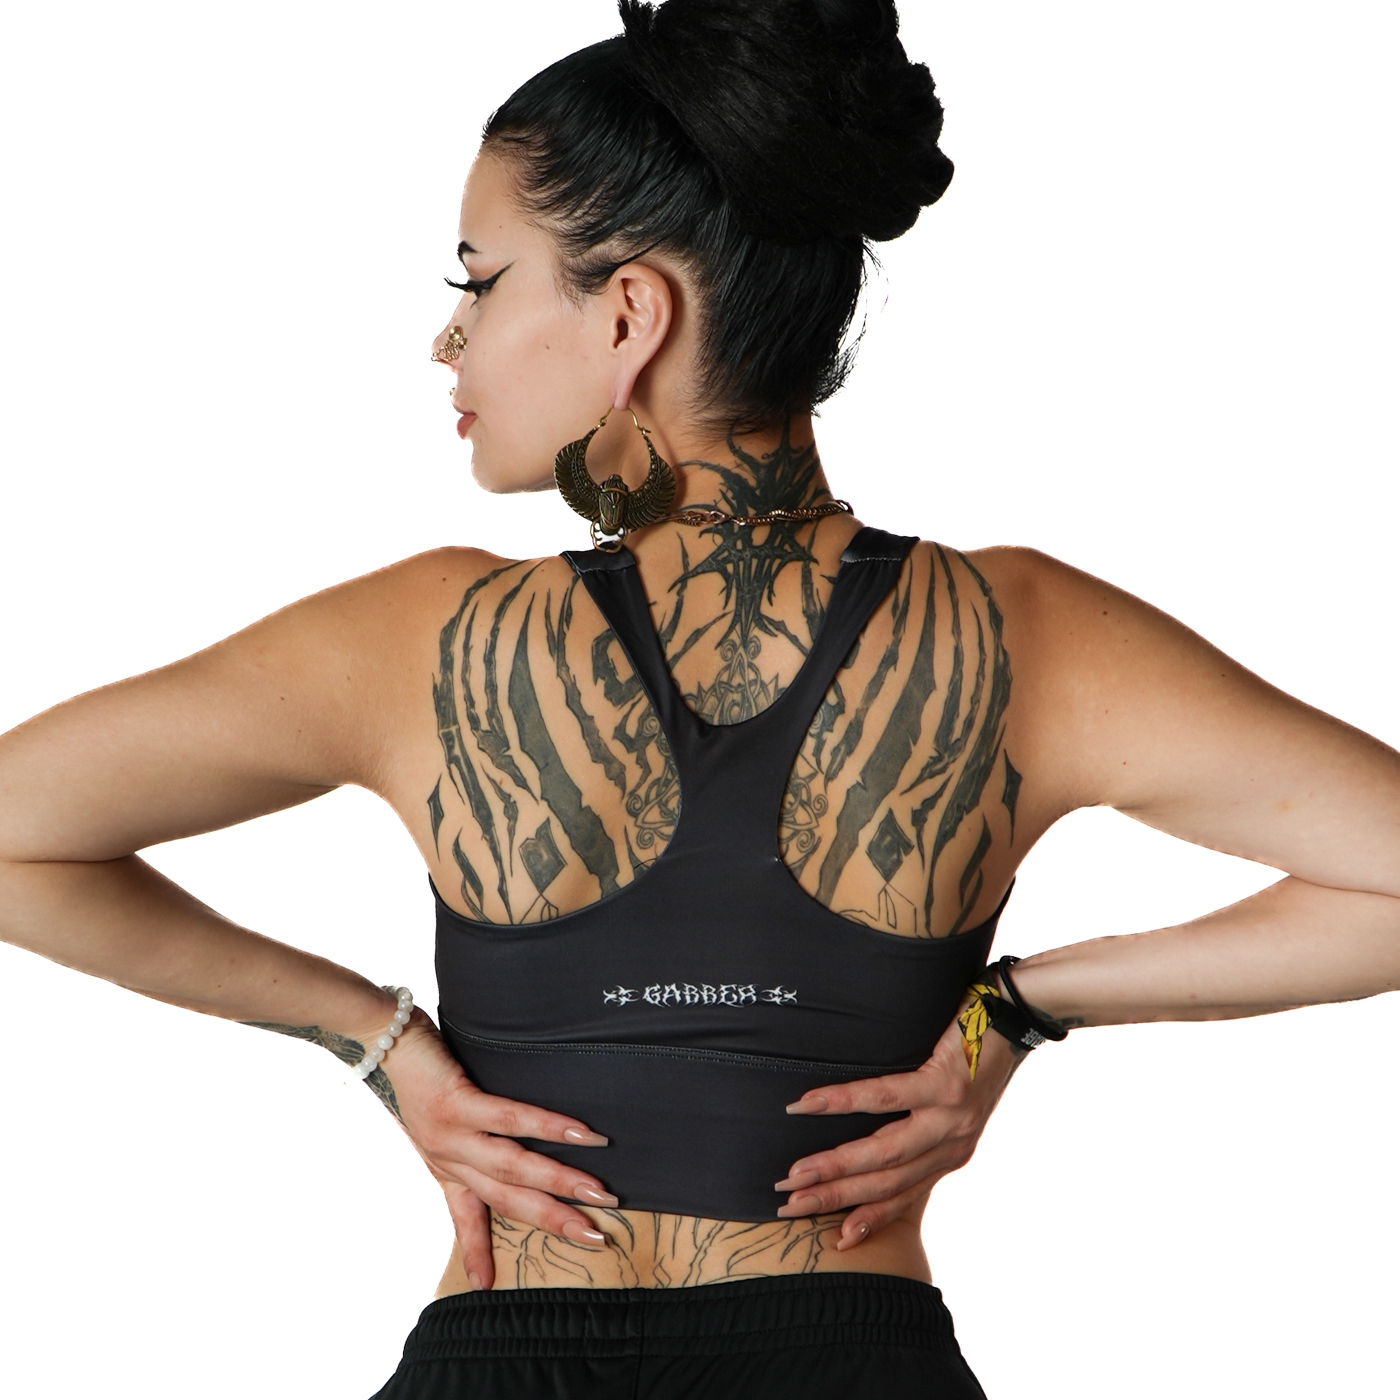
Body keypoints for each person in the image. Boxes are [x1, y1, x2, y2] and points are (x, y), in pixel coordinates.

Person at [1, 0, 1396, 1397]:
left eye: (478, 281)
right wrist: (1012, 1011)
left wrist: (380, 1040)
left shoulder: (427, 634)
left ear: (630, 312)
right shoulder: (1019, 633)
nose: (448, 340)